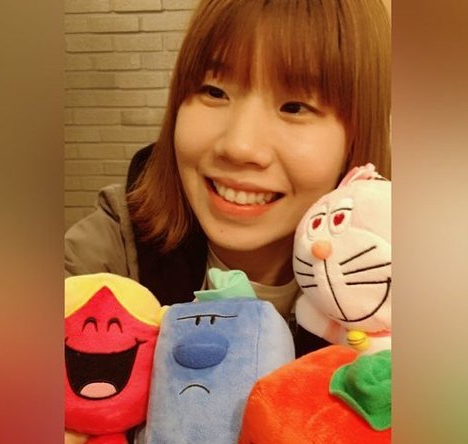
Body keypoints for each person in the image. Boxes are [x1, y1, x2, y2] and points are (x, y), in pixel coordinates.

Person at [65, 0, 391, 358]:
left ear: (357, 137)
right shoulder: (112, 251)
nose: (239, 146)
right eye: (214, 91)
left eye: (295, 107)